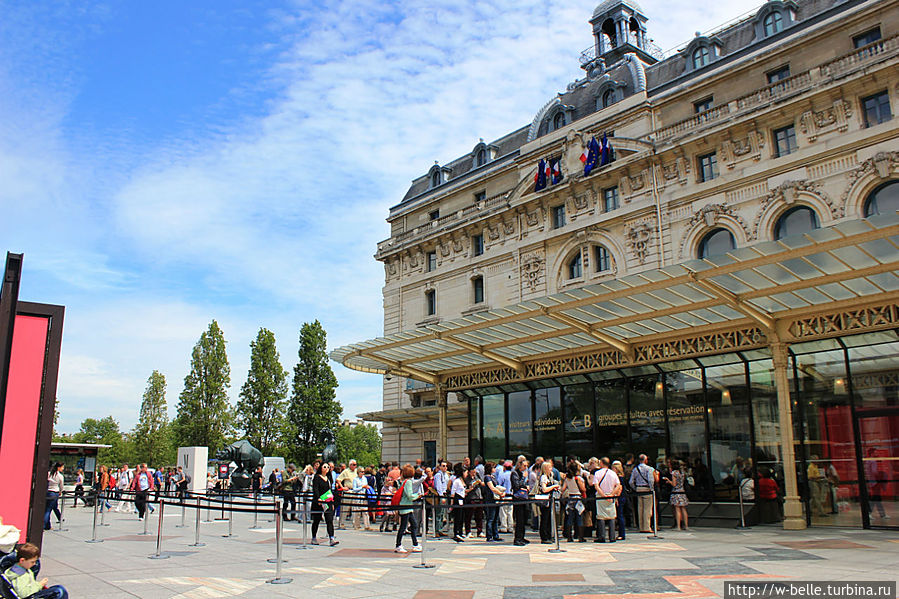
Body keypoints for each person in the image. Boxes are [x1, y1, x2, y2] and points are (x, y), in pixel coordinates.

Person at [3, 542, 68, 599]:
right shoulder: (20, 575)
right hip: (29, 596)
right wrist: (39, 585)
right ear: (22, 560)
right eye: (32, 562)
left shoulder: (20, 568)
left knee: (57, 588)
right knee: (59, 591)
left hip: (31, 593)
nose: (34, 564)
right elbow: (23, 593)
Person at [394, 464, 422, 553]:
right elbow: (410, 495)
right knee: (403, 527)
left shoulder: (405, 481)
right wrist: (418, 495)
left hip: (407, 507)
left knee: (413, 525)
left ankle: (415, 544)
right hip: (406, 507)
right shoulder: (408, 482)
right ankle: (398, 545)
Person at [629, 454, 659, 533]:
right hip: (646, 488)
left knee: (640, 509)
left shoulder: (635, 469)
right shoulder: (649, 469)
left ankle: (641, 526)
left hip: (639, 489)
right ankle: (647, 527)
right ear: (646, 460)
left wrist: (635, 488)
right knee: (647, 509)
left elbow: (631, 481)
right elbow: (651, 480)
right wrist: (651, 488)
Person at [311, 462, 339, 546]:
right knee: (316, 520)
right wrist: (318, 498)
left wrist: (332, 502)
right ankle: (314, 537)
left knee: (329, 520)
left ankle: (331, 538)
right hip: (319, 502)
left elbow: (330, 491)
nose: (326, 468)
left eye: (328, 467)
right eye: (324, 467)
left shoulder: (328, 478)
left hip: (328, 501)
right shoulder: (317, 477)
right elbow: (315, 489)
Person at [593, 457, 620, 542]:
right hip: (610, 495)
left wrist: (603, 495)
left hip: (601, 496)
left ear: (601, 463)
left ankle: (602, 536)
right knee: (611, 516)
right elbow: (618, 485)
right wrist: (611, 494)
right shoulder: (613, 473)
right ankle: (612, 536)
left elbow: (596, 486)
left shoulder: (597, 473)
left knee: (601, 516)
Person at [561, 460, 586, 542]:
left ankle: (569, 537)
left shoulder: (567, 479)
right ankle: (580, 537)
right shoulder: (578, 478)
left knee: (570, 518)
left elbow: (563, 489)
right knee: (579, 518)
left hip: (570, 497)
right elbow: (583, 489)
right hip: (578, 498)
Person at [662, 459, 689, 531]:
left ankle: (678, 526)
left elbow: (674, 484)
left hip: (676, 492)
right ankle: (686, 525)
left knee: (677, 509)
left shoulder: (674, 473)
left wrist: (668, 480)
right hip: (682, 491)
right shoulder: (682, 472)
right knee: (683, 509)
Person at [537, 461, 560, 544]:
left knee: (549, 518)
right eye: (550, 468)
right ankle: (544, 536)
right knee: (544, 518)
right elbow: (544, 489)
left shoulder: (549, 476)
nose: (551, 469)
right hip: (544, 500)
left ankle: (549, 535)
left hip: (549, 499)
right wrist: (553, 486)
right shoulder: (543, 477)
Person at [510, 458, 530, 546]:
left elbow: (522, 485)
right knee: (519, 518)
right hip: (518, 498)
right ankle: (517, 538)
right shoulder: (515, 473)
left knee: (523, 518)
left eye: (526, 466)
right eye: (524, 466)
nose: (525, 468)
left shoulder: (521, 473)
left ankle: (522, 536)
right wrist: (524, 478)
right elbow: (517, 485)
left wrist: (526, 486)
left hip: (524, 498)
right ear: (519, 465)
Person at [483, 461, 504, 542]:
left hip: (496, 499)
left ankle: (495, 534)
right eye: (493, 467)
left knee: (495, 518)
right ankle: (489, 535)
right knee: (490, 518)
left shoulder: (493, 477)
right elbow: (492, 488)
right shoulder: (487, 477)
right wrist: (499, 493)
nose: (495, 469)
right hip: (490, 499)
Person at [450, 463, 467, 542]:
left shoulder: (462, 480)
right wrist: (451, 503)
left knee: (461, 517)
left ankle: (460, 532)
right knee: (457, 517)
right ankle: (456, 532)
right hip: (457, 499)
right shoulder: (456, 481)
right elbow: (453, 492)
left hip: (462, 498)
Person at [611, 461, 628, 540]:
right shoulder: (621, 476)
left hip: (620, 497)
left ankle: (622, 533)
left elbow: (619, 488)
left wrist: (616, 497)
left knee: (620, 515)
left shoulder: (619, 477)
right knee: (619, 515)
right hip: (621, 497)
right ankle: (620, 533)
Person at [45, 462, 64, 530]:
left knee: (49, 508)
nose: (63, 468)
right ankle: (45, 525)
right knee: (48, 510)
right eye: (62, 467)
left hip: (48, 491)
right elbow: (61, 485)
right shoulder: (60, 476)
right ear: (58, 467)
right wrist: (61, 491)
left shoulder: (49, 474)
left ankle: (48, 525)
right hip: (55, 492)